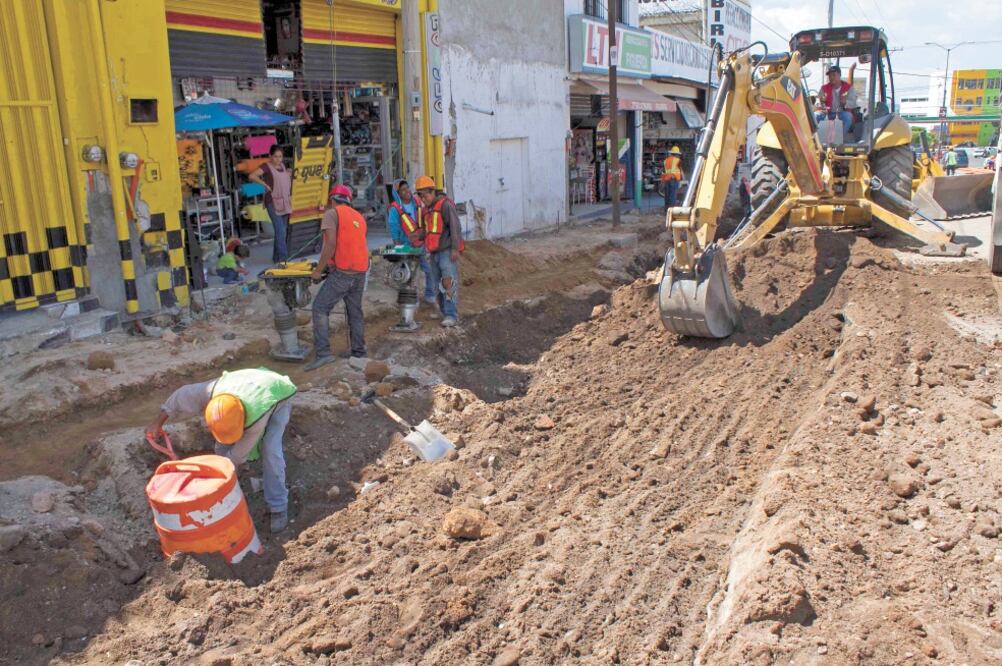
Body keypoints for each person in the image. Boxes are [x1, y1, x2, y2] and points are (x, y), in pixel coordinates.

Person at [145, 367, 297, 533]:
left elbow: (236, 456)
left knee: (270, 450)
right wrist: (157, 423)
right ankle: (234, 486)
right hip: (246, 382)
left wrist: (210, 482)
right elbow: (179, 396)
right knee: (221, 447)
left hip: (275, 392)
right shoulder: (207, 393)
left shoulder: (255, 420)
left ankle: (278, 506)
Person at [306, 184, 369, 371]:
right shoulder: (358, 217)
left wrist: (318, 270)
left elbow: (331, 243)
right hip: (360, 271)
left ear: (332, 200)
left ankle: (323, 354)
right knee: (355, 311)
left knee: (319, 308)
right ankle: (358, 351)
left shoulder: (332, 214)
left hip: (344, 272)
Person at [414, 176, 463, 328]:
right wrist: (418, 236)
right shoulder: (426, 210)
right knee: (437, 284)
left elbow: (455, 227)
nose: (423, 199)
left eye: (425, 195)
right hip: (434, 252)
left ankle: (451, 314)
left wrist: (455, 248)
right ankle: (443, 311)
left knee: (448, 283)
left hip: (446, 251)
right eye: (421, 196)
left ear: (433, 192)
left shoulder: (445, 205)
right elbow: (429, 231)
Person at [387, 179, 435, 304]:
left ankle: (430, 295)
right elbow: (394, 227)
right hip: (406, 246)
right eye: (403, 190)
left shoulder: (418, 202)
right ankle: (411, 299)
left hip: (420, 243)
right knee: (408, 274)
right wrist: (397, 247)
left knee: (429, 270)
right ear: (397, 194)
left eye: (407, 188)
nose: (407, 191)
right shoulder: (395, 209)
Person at [249, 145, 293, 263]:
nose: (278, 159)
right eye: (275, 156)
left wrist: (288, 174)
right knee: (280, 231)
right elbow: (252, 176)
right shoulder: (266, 166)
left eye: (280, 156)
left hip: (284, 202)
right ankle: (284, 260)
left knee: (282, 231)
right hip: (272, 202)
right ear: (270, 156)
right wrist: (264, 184)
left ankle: (276, 258)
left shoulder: (282, 166)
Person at [818, 65, 854, 133]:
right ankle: (814, 138)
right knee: (814, 116)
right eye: (829, 76)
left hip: (841, 113)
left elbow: (853, 103)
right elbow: (818, 103)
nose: (831, 77)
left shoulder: (849, 88)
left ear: (839, 75)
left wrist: (845, 102)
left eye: (834, 75)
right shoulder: (824, 88)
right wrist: (822, 102)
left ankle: (841, 137)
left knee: (848, 116)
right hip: (827, 114)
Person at [661, 146, 683, 211]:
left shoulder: (665, 161)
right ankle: (671, 211)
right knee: (672, 196)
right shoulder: (678, 161)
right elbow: (680, 170)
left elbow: (663, 171)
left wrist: (662, 181)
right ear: (677, 154)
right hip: (674, 180)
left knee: (667, 196)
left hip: (666, 180)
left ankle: (666, 210)